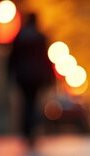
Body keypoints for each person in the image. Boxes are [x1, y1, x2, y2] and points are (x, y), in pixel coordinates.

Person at [8, 14, 54, 147]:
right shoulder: (40, 37)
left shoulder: (19, 37)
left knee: (25, 102)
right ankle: (32, 128)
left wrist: (10, 72)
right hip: (37, 76)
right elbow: (46, 59)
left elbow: (12, 57)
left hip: (22, 75)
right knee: (33, 103)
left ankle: (26, 129)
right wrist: (49, 77)